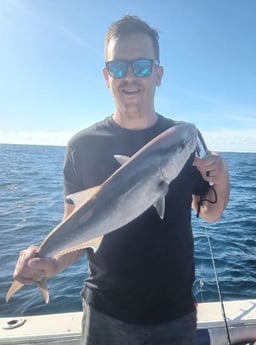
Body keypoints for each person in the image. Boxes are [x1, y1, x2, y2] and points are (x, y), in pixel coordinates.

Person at [12, 15, 229, 345]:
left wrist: (222, 178)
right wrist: (48, 263)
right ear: (106, 75)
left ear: (158, 74)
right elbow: (79, 227)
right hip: (104, 314)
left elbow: (210, 213)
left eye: (141, 66)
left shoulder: (180, 142)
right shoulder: (82, 146)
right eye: (118, 67)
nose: (129, 77)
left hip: (174, 313)